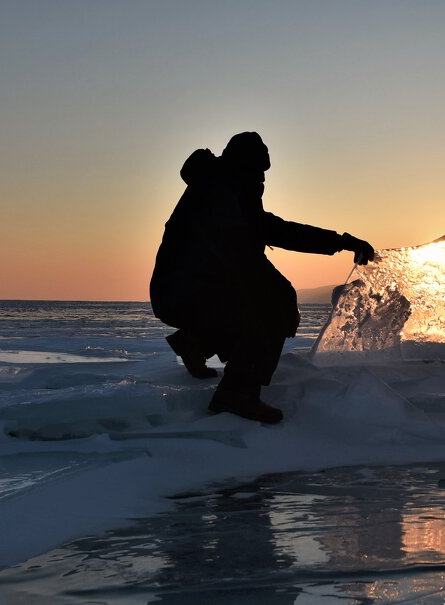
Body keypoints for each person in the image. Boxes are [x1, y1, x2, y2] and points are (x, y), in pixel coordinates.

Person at [150, 131, 374, 423]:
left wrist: (342, 241)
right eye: (258, 170)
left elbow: (277, 230)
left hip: (185, 290)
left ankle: (196, 343)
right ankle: (237, 391)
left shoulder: (226, 190)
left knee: (262, 299)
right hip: (185, 292)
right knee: (274, 305)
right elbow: (239, 254)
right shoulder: (219, 196)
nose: (262, 178)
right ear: (242, 165)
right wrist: (281, 295)